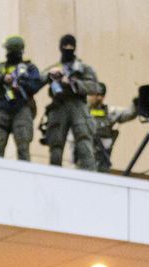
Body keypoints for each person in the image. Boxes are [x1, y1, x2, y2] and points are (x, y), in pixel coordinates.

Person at [40, 34, 99, 169]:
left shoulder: (83, 68)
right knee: (55, 144)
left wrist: (73, 82)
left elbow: (95, 87)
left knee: (84, 140)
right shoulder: (54, 67)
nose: (68, 49)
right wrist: (50, 74)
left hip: (77, 105)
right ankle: (55, 178)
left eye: (71, 46)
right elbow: (38, 81)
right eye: (65, 46)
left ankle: (90, 175)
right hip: (58, 105)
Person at [0, 36, 43, 160]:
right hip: (1, 110)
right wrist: (2, 79)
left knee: (23, 148)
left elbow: (35, 85)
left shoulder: (30, 68)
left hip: (22, 109)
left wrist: (20, 82)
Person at [85, 89, 134, 171]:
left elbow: (128, 114)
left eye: (102, 95)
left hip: (101, 159)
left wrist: (135, 105)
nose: (99, 98)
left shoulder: (109, 112)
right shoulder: (79, 111)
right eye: (96, 95)